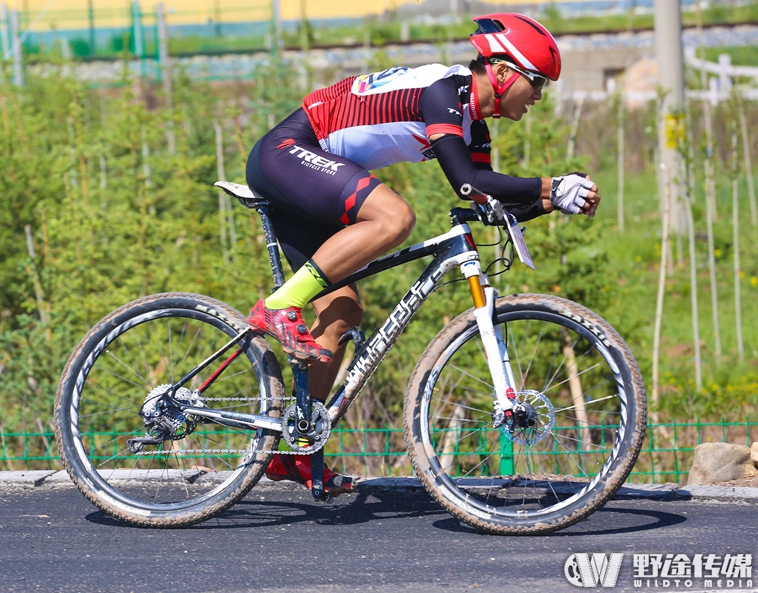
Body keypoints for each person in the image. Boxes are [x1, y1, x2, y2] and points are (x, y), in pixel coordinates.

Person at [244, 13, 601, 496]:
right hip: (288, 151)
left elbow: (483, 198)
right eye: (536, 83)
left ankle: (293, 453)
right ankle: (277, 306)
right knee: (394, 218)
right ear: (501, 72)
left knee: (342, 312)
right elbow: (467, 181)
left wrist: (553, 201)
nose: (539, 96)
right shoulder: (445, 91)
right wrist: (549, 184)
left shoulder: (473, 125)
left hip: (314, 174)